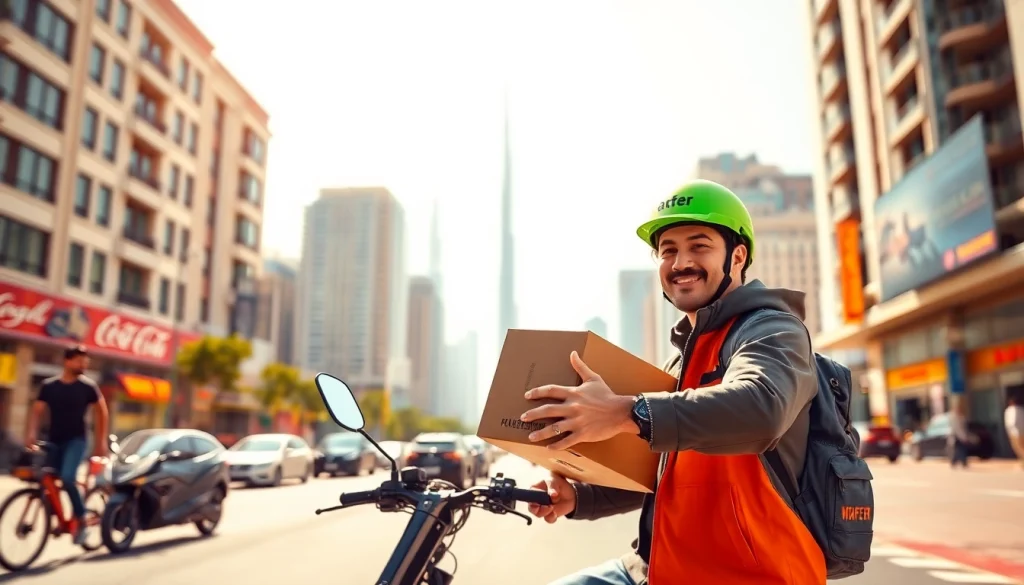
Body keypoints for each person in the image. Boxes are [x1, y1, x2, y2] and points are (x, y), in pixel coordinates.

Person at [521, 180, 824, 585]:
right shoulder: (680, 360)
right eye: (668, 251)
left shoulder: (771, 329)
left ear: (737, 256)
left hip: (752, 575)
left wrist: (627, 410)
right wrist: (579, 497)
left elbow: (762, 407)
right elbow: (662, 474)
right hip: (656, 570)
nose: (681, 262)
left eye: (699, 246)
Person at [24, 345, 109, 545]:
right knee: (46, 479)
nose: (84, 364)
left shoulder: (88, 387)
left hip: (77, 440)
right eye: (80, 360)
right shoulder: (49, 386)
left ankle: (81, 520)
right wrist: (31, 434)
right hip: (53, 440)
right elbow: (36, 411)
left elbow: (101, 412)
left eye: (85, 361)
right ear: (67, 361)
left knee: (68, 478)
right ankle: (60, 517)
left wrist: (100, 441)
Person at [1004, 395, 1024, 469]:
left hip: (1015, 432)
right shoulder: (1022, 409)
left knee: (1018, 448)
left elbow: (1011, 422)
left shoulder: (1011, 410)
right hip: (1022, 431)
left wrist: (1010, 431)